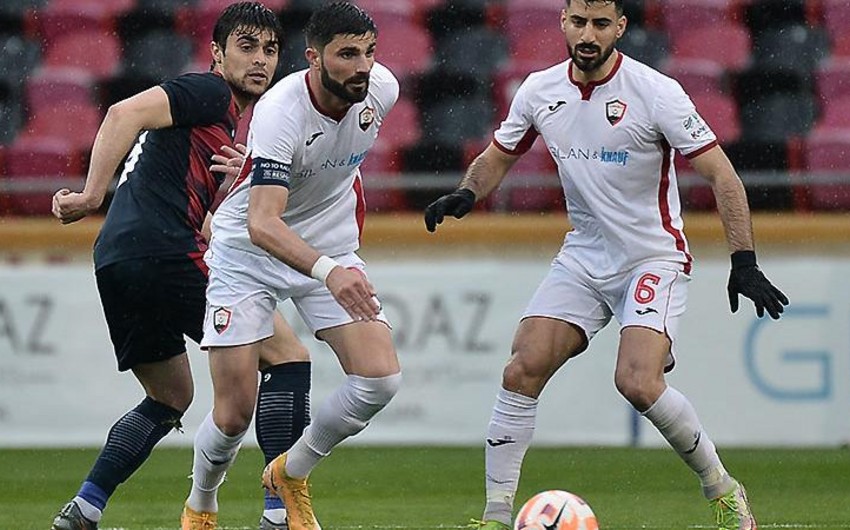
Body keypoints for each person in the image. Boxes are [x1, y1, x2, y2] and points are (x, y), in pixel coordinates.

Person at [423, 1, 789, 529]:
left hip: (651, 257)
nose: (588, 35)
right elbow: (498, 156)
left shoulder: (656, 92)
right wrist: (466, 192)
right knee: (521, 368)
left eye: (600, 24)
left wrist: (744, 260)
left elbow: (722, 175)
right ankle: (496, 516)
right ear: (563, 22)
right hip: (585, 255)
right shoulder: (540, 90)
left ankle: (723, 490)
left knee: (637, 382)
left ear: (620, 27)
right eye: (578, 22)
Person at [49, 4, 312, 530]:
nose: (260, 60)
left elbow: (203, 218)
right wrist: (91, 195)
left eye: (269, 50)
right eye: (246, 46)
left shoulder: (221, 126)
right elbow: (121, 113)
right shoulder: (208, 92)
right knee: (287, 358)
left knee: (171, 396)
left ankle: (85, 507)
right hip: (164, 249)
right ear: (216, 53)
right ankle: (280, 513)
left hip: (117, 258)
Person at [182, 3, 401, 530]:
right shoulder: (281, 110)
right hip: (247, 253)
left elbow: (332, 164)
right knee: (233, 414)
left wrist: (331, 259)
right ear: (313, 58)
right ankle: (201, 503)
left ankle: (289, 472)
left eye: (369, 53)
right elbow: (262, 223)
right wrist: (329, 272)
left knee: (380, 381)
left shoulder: (383, 90)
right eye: (347, 55)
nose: (362, 67)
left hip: (328, 246)